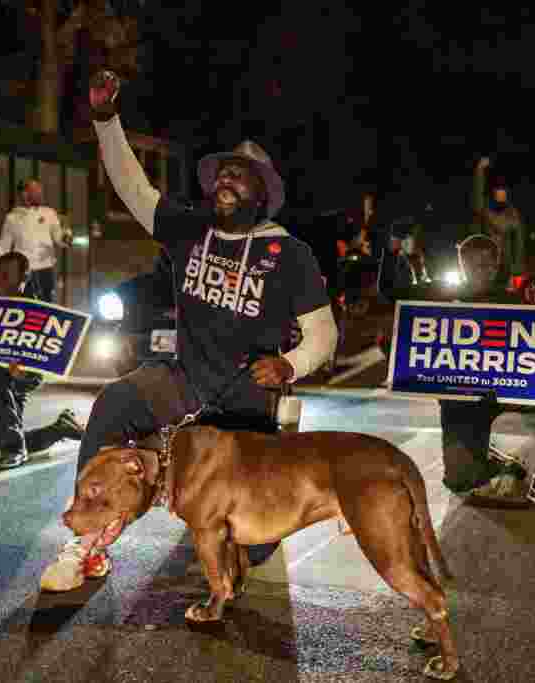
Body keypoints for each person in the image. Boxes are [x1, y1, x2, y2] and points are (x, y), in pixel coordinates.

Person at [40, 70, 339, 591]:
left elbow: (323, 335)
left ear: (261, 193)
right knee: (113, 403)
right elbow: (132, 185)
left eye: (239, 176)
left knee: (254, 544)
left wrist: (291, 364)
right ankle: (86, 540)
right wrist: (107, 119)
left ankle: (228, 522)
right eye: (222, 173)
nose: (226, 181)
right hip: (185, 380)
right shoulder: (191, 229)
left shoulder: (289, 254)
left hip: (246, 400)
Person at [380, 234, 535, 514]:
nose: (481, 271)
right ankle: (497, 459)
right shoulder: (438, 294)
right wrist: (393, 248)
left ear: (496, 266)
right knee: (461, 481)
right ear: (461, 264)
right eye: (473, 265)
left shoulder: (512, 302)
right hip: (462, 403)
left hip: (505, 392)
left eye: (487, 265)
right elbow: (389, 291)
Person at [0, 246, 85, 469]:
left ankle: (13, 451)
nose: (0, 279)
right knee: (14, 431)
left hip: (27, 375)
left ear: (23, 278)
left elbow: (49, 357)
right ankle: (59, 429)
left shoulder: (38, 310)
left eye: (7, 275)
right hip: (1, 370)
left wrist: (24, 372)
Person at [0, 179, 72, 302]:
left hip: (46, 270)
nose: (40, 193)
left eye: (40, 190)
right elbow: (3, 248)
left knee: (47, 307)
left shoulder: (49, 213)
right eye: (35, 190)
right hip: (22, 273)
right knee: (25, 306)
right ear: (24, 193)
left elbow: (59, 239)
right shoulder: (12, 218)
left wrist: (66, 238)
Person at [467, 156, 528, 291]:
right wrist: (480, 170)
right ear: (494, 194)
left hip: (505, 260)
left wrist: (517, 269)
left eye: (503, 193)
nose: (501, 195)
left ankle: (508, 279)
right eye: (498, 193)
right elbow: (478, 197)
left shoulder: (513, 214)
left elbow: (519, 241)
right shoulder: (486, 209)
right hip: (486, 258)